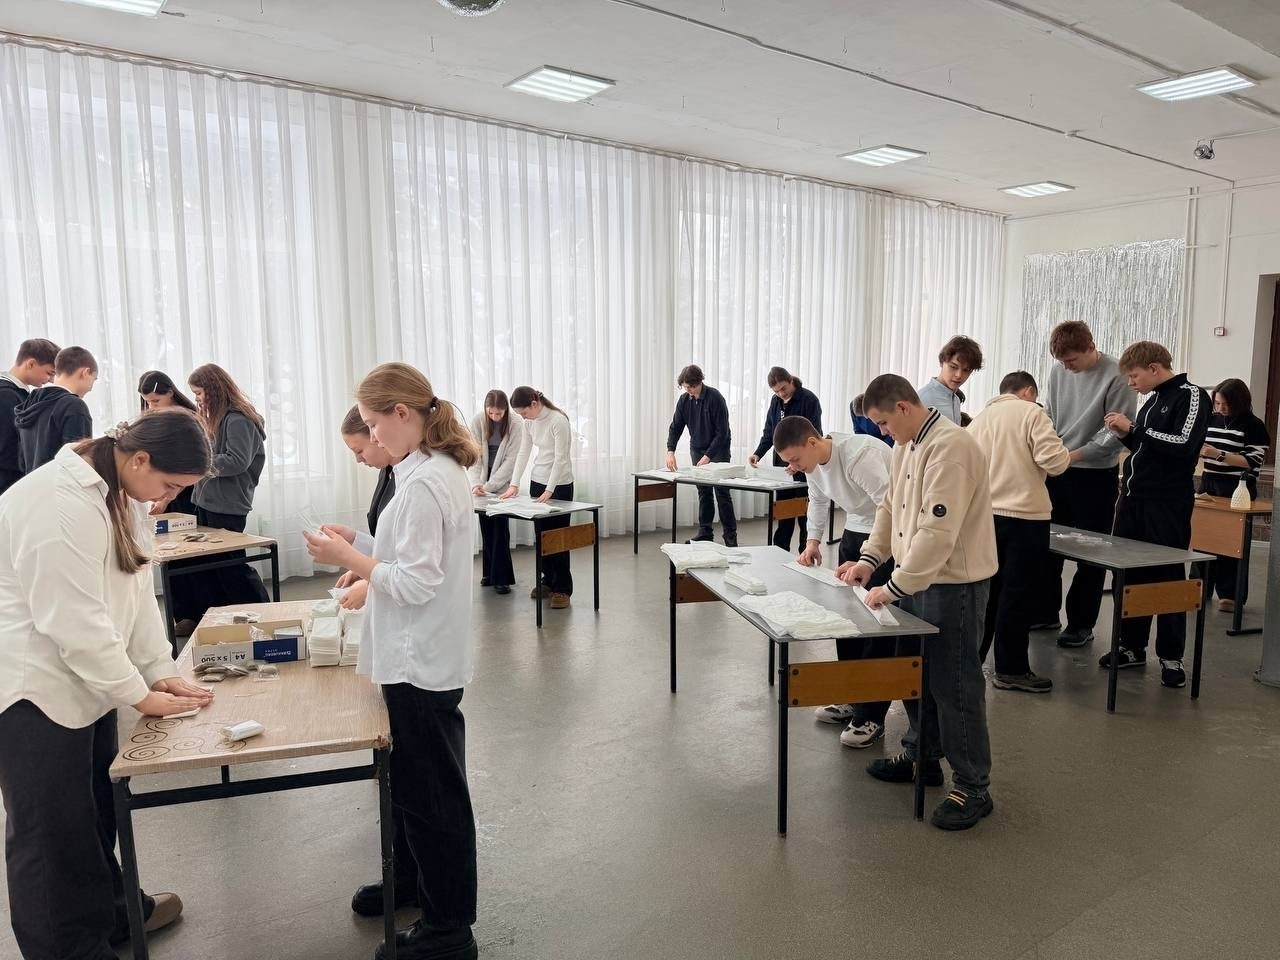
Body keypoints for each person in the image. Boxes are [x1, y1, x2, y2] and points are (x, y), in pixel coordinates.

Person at [0, 408, 214, 959]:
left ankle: (114, 914)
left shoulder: (121, 492)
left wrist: (160, 670)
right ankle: (69, 948)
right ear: (139, 458)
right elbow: (74, 621)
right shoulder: (56, 502)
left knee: (95, 812)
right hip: (33, 689)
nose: (167, 498)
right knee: (51, 835)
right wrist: (138, 694)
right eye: (170, 485)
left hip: (87, 680)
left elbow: (136, 588)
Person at [304, 362, 479, 960]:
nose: (371, 437)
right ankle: (411, 881)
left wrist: (349, 557)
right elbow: (404, 554)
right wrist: (357, 543)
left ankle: (448, 930)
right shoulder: (421, 470)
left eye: (373, 425)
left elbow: (416, 582)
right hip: (414, 654)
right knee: (412, 785)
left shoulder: (427, 480)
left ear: (402, 414)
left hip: (420, 659)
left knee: (433, 797)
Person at [843, 374, 997, 831]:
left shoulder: (951, 448)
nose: (882, 431)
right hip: (914, 581)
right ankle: (922, 757)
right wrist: (870, 559)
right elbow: (889, 509)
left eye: (883, 422)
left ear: (904, 408)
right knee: (915, 675)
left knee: (954, 684)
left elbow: (937, 532)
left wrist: (894, 587)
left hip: (953, 586)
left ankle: (973, 785)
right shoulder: (905, 446)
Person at [772, 415, 895, 748]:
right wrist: (812, 542)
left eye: (795, 459)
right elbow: (818, 500)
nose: (793, 467)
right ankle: (851, 695)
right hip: (854, 531)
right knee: (849, 620)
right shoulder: (813, 464)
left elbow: (890, 507)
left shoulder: (859, 454)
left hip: (885, 537)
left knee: (877, 626)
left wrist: (871, 557)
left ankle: (871, 714)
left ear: (812, 442)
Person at [1099, 342, 1210, 689]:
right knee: (1128, 573)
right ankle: (1131, 645)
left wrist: (1134, 429)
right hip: (1133, 500)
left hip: (1166, 504)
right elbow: (1146, 448)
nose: (1131, 384)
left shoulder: (1191, 396)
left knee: (1168, 574)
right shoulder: (1151, 402)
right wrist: (1126, 435)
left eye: (1134, 376)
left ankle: (1171, 655)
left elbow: (1184, 444)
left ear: (1153, 368)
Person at [968, 372, 1070, 693]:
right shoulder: (1032, 413)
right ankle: (1011, 669)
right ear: (1028, 391)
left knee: (988, 594)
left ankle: (972, 662)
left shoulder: (979, 420)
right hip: (1025, 517)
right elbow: (1055, 462)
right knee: (1018, 595)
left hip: (985, 516)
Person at [1034, 320, 1135, 647]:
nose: (1066, 367)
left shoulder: (1117, 375)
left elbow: (1115, 433)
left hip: (1095, 473)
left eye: (1072, 360)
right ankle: (1045, 612)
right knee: (1047, 543)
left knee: (1091, 552)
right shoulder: (1058, 371)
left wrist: (1072, 456)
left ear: (1091, 347)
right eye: (1061, 362)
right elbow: (1049, 416)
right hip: (1058, 469)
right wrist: (1051, 453)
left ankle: (1080, 624)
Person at [168, 364, 270, 634]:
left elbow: (237, 461)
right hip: (207, 500)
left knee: (231, 566)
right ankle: (222, 619)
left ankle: (263, 613)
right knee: (210, 566)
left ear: (213, 390)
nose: (197, 399)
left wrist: (200, 463)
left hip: (227, 504)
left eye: (199, 393)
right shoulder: (220, 417)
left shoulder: (238, 419)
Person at [1199, 378, 1270, 611]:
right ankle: (1200, 588)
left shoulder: (1253, 425)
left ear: (1239, 402)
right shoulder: (1211, 419)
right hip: (1209, 482)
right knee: (1202, 538)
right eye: (1217, 403)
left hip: (1237, 486)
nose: (1220, 408)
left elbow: (1253, 461)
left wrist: (1219, 455)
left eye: (1225, 404)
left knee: (1232, 542)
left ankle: (1229, 593)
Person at [505, 386, 575, 609]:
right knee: (542, 535)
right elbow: (523, 452)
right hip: (538, 482)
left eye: (524, 412)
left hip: (560, 485)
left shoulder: (558, 420)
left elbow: (560, 459)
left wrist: (550, 489)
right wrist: (514, 483)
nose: (523, 418)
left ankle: (562, 588)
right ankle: (547, 580)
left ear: (534, 404)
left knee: (558, 537)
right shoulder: (529, 422)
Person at [332, 405, 402, 615]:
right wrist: (354, 542)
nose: (358, 459)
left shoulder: (417, 482)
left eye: (359, 451)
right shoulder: (388, 472)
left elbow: (413, 568)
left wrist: (369, 582)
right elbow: (388, 546)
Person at [748, 367, 823, 551]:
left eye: (783, 388)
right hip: (783, 467)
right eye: (776, 391)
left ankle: (806, 553)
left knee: (805, 514)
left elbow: (815, 436)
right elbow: (770, 432)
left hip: (804, 464)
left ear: (791, 381)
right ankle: (780, 551)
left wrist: (798, 463)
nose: (781, 394)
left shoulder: (809, 400)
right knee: (784, 513)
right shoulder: (776, 402)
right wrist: (758, 453)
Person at [665, 364, 736, 546]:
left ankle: (730, 537)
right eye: (685, 387)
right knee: (703, 492)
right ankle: (705, 532)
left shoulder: (715, 398)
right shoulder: (684, 400)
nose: (688, 390)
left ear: (699, 382)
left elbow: (722, 433)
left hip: (719, 449)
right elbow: (676, 427)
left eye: (690, 387)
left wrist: (709, 456)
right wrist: (670, 451)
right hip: (697, 448)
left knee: (722, 493)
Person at [468, 389, 524, 595]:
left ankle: (502, 578)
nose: (494, 417)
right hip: (483, 478)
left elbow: (511, 461)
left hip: (502, 480)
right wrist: (476, 483)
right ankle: (489, 574)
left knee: (500, 527)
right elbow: (475, 456)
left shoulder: (516, 423)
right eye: (490, 413)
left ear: (506, 410)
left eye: (498, 413)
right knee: (486, 525)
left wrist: (490, 486)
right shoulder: (478, 421)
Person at [14, 345, 98, 473]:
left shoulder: (29, 403)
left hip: (33, 483)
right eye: (94, 379)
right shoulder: (73, 406)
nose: (91, 388)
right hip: (61, 484)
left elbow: (21, 461)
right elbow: (79, 463)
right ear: (85, 372)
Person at [0, 338, 59, 495]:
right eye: (49, 373)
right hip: (8, 484)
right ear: (31, 364)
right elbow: (7, 447)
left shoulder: (18, 394)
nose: (51, 380)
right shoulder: (6, 396)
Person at [138, 371, 199, 516]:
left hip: (184, 490)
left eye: (156, 401)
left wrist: (165, 499)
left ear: (170, 393)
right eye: (148, 402)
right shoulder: (158, 417)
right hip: (164, 487)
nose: (151, 407)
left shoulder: (187, 419)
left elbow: (189, 464)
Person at [916, 335, 983, 425]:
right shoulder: (922, 399)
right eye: (953, 367)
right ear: (941, 362)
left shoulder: (956, 400)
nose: (959, 375)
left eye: (966, 370)